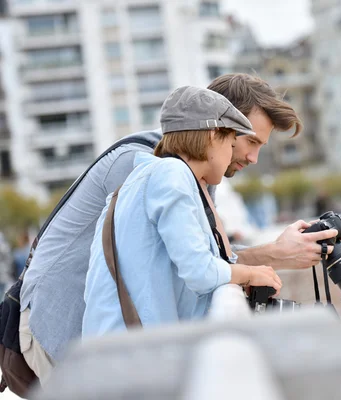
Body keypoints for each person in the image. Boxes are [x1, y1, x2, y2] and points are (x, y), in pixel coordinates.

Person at [18, 73, 339, 382]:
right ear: (218, 125)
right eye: (249, 140)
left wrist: (274, 256)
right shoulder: (150, 167)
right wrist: (271, 257)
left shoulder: (187, 170)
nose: (253, 157)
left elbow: (191, 256)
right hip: (61, 328)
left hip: (110, 339)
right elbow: (190, 262)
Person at [83, 87, 282, 337]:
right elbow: (200, 272)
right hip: (127, 351)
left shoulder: (151, 177)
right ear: (213, 136)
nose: (232, 154)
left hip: (121, 344)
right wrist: (251, 274)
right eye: (231, 144)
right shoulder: (171, 175)